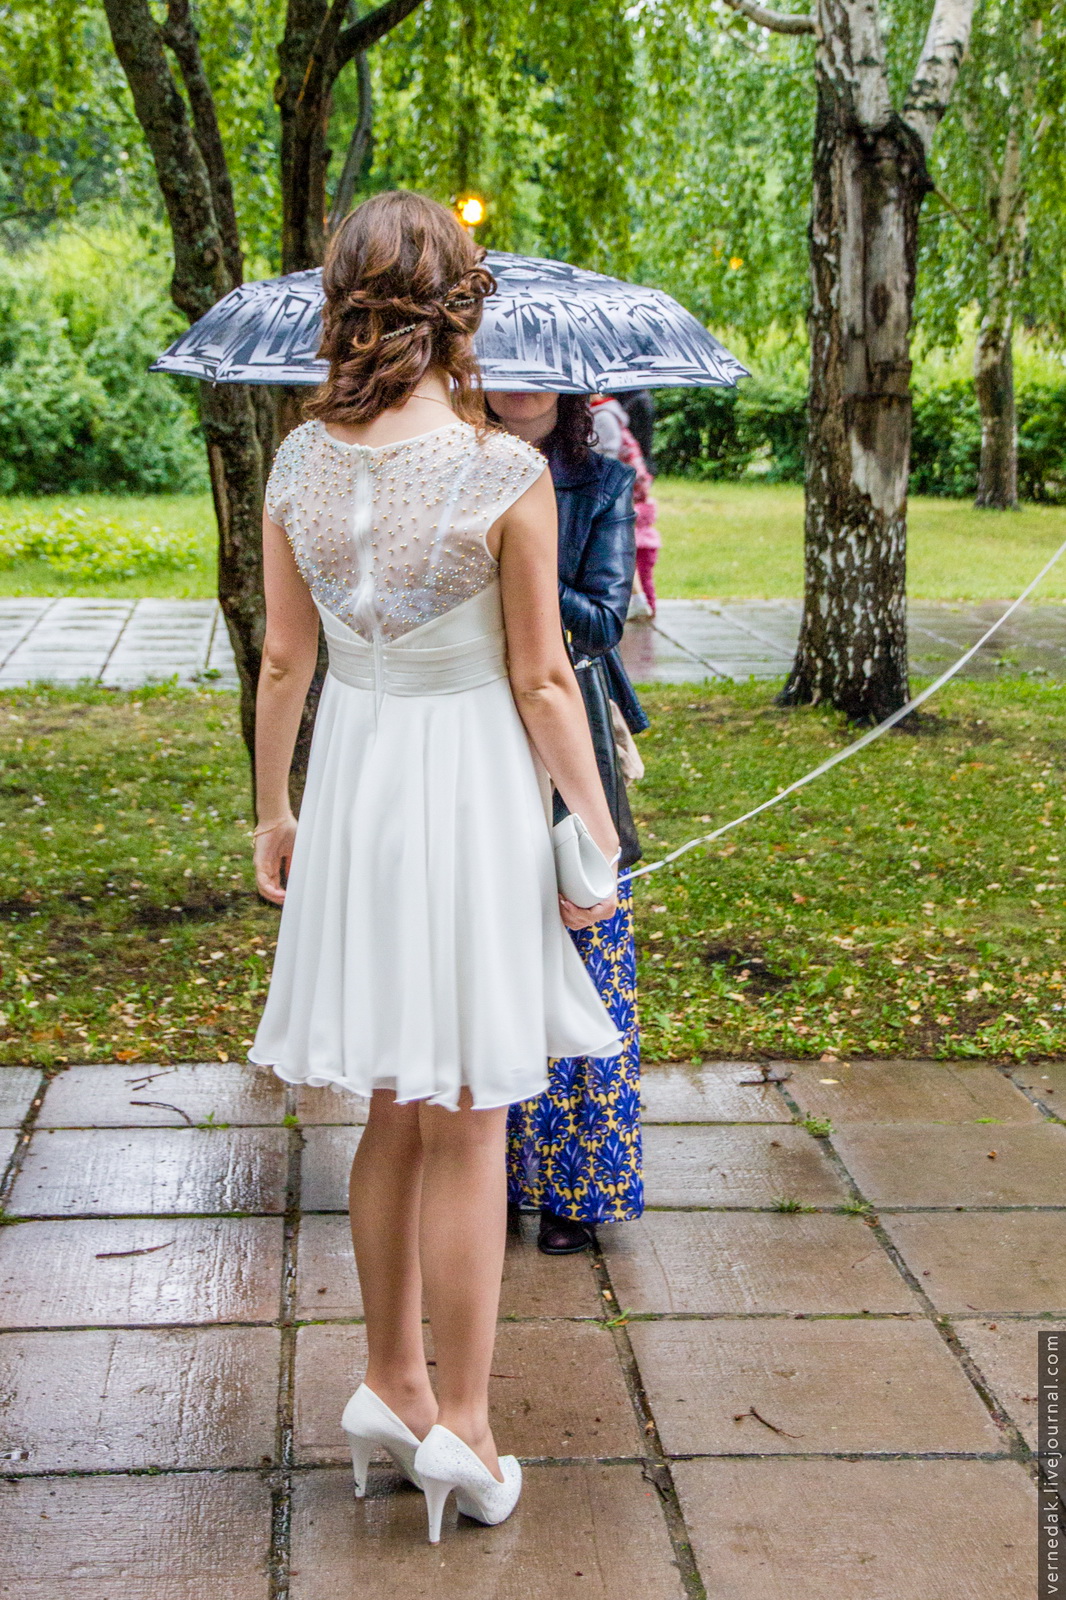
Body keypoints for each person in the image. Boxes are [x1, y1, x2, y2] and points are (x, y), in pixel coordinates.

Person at [249, 190, 622, 1544]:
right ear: (460, 305)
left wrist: (271, 810)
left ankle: (390, 1385)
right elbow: (541, 678)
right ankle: (463, 1424)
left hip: (355, 784)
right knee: (469, 1109)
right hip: (464, 789)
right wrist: (595, 836)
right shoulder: (500, 472)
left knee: (394, 1108)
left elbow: (283, 660)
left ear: (340, 301)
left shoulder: (295, 462)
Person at [486, 388, 647, 1254]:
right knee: (488, 958)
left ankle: (575, 1189)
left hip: (566, 730)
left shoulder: (602, 482)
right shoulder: (444, 471)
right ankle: (489, 1178)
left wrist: (522, 554)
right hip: (470, 727)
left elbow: (605, 620)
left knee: (587, 954)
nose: (519, 381)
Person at [592, 394, 661, 618]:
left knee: (613, 546)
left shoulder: (603, 415)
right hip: (615, 491)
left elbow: (608, 455)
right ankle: (635, 599)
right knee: (614, 546)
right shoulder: (603, 413)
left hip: (610, 491)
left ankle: (634, 600)